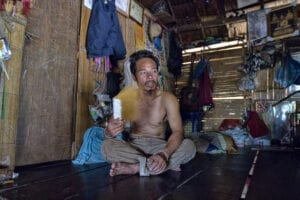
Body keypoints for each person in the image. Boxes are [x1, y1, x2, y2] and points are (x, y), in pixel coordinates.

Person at [101, 50, 196, 176]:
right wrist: (108, 132)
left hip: (160, 147)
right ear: (134, 76)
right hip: (134, 147)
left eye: (154, 71)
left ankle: (136, 167)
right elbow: (111, 130)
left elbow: (178, 132)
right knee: (106, 146)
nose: (150, 76)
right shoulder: (127, 98)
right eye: (143, 72)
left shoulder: (168, 99)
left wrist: (164, 153)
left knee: (189, 147)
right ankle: (160, 165)